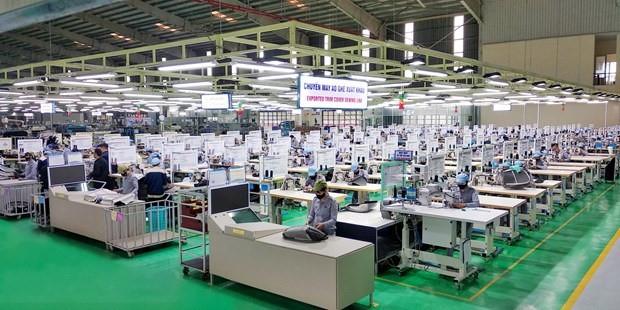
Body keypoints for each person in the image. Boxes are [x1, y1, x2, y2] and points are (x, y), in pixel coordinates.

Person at [447, 173, 480, 256]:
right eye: (459, 183)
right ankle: (449, 256)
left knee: (466, 237)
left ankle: (465, 258)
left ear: (467, 182)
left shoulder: (472, 191)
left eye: (462, 183)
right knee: (450, 236)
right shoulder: (455, 190)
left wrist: (464, 204)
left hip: (467, 217)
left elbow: (476, 203)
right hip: (455, 217)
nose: (460, 185)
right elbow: (447, 198)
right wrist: (449, 203)